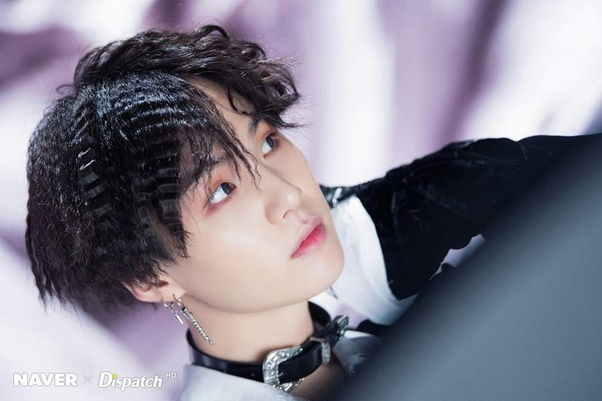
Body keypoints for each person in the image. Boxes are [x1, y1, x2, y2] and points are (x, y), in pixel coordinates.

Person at [25, 25, 600, 400]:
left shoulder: (392, 228)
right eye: (221, 190)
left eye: (269, 141)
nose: (289, 195)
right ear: (151, 277)